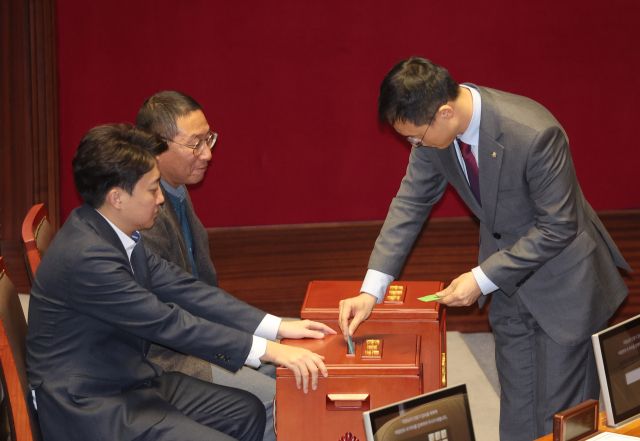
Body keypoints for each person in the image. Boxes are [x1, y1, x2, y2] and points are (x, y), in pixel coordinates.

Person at [338, 57, 631, 441]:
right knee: (518, 411)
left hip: (565, 287)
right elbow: (410, 204)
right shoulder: (434, 135)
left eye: (416, 137)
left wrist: (480, 278)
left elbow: (559, 226)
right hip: (507, 285)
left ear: (445, 112)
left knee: (560, 420)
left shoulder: (533, 132)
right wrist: (370, 290)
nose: (415, 146)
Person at [26, 124, 334, 441]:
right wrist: (268, 351)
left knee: (248, 410)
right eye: (152, 189)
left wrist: (277, 327)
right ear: (116, 197)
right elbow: (166, 322)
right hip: (89, 403)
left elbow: (185, 290)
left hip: (129, 380)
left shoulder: (114, 232)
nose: (161, 199)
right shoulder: (87, 257)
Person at [135, 90, 281, 441]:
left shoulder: (176, 191)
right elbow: (172, 316)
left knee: (291, 368)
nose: (208, 154)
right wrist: (249, 344)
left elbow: (200, 292)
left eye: (208, 139)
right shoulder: (144, 216)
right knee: (279, 397)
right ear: (156, 147)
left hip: (197, 337)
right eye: (195, 144)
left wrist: (267, 333)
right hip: (169, 359)